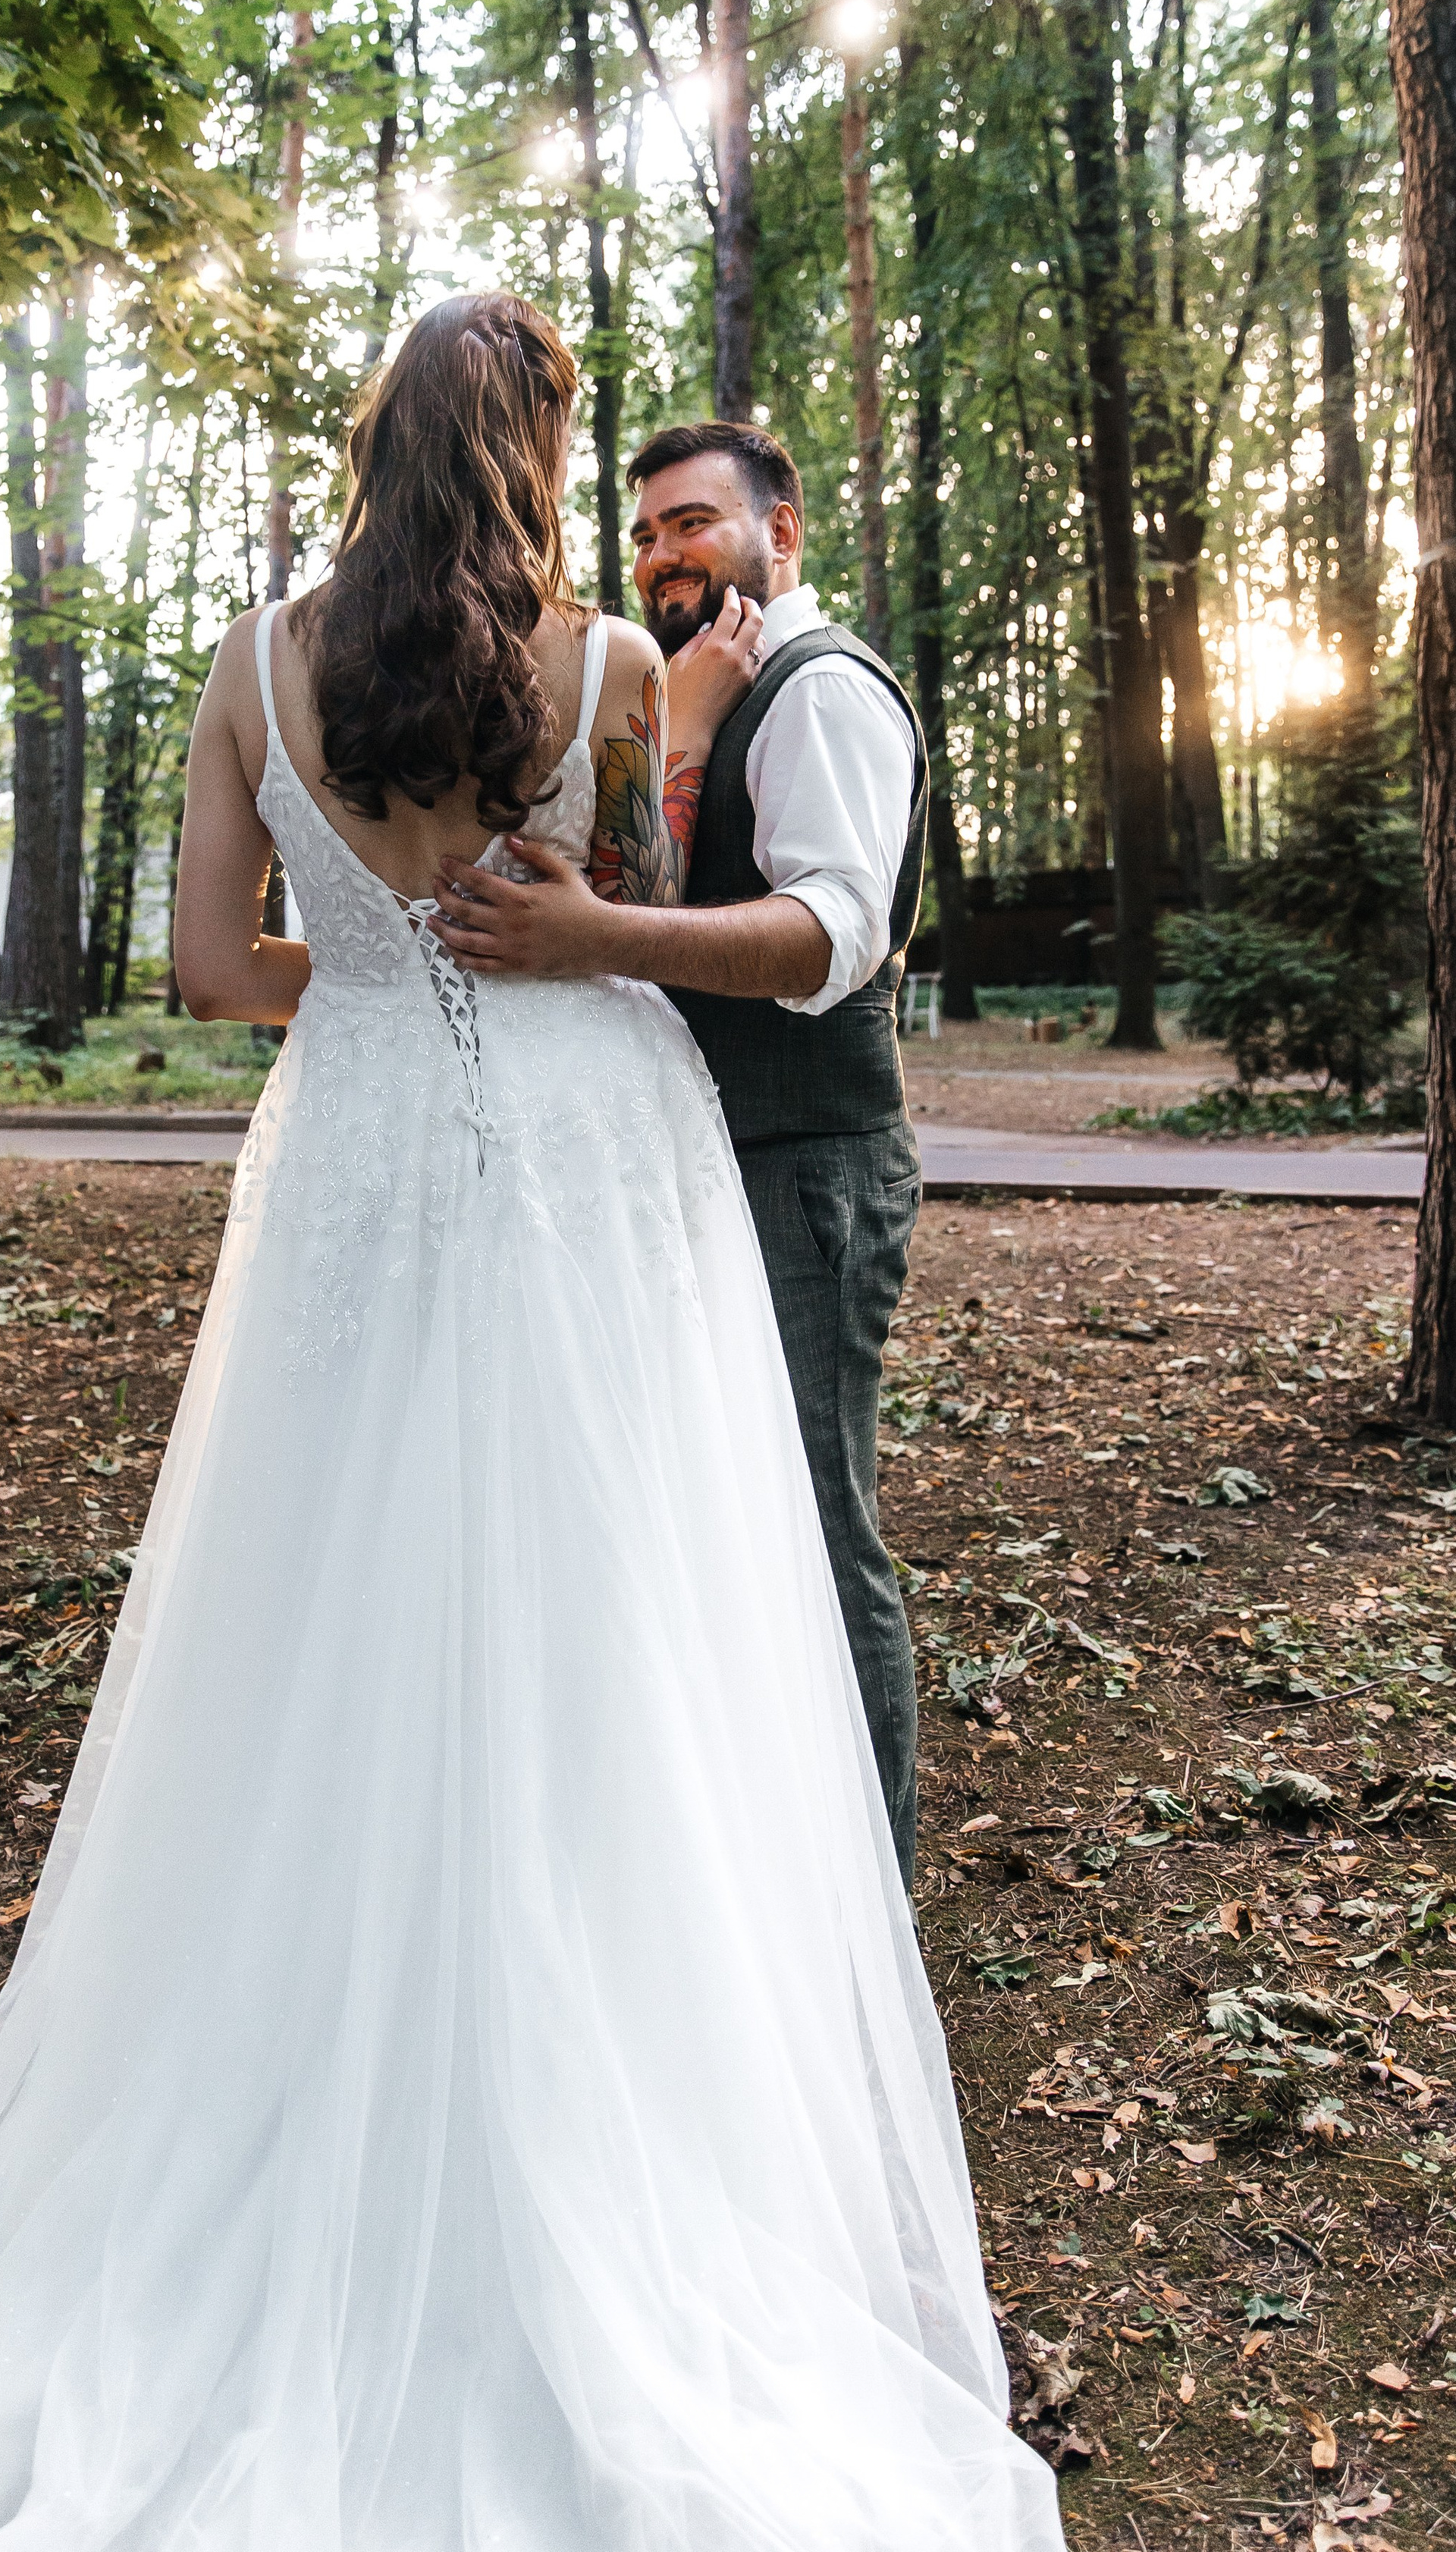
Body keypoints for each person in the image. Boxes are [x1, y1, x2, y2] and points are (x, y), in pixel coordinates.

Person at [0, 297, 1061, 2552]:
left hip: (351, 1146)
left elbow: (213, 970)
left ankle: (302, 2074)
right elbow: (618, 922)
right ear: (534, 458)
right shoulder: (612, 669)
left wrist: (369, 969)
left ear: (377, 447)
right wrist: (577, 858)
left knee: (323, 1598)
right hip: (589, 1153)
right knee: (611, 1600)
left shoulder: (250, 664)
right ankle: (617, 2086)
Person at [432, 421, 928, 1885]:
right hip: (701, 1165)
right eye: (647, 531)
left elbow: (833, 936)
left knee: (817, 1535)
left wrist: (602, 936)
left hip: (802, 1165)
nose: (663, 554)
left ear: (783, 530)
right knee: (724, 1525)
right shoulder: (697, 684)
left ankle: (867, 1909)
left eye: (696, 522)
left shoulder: (820, 688)